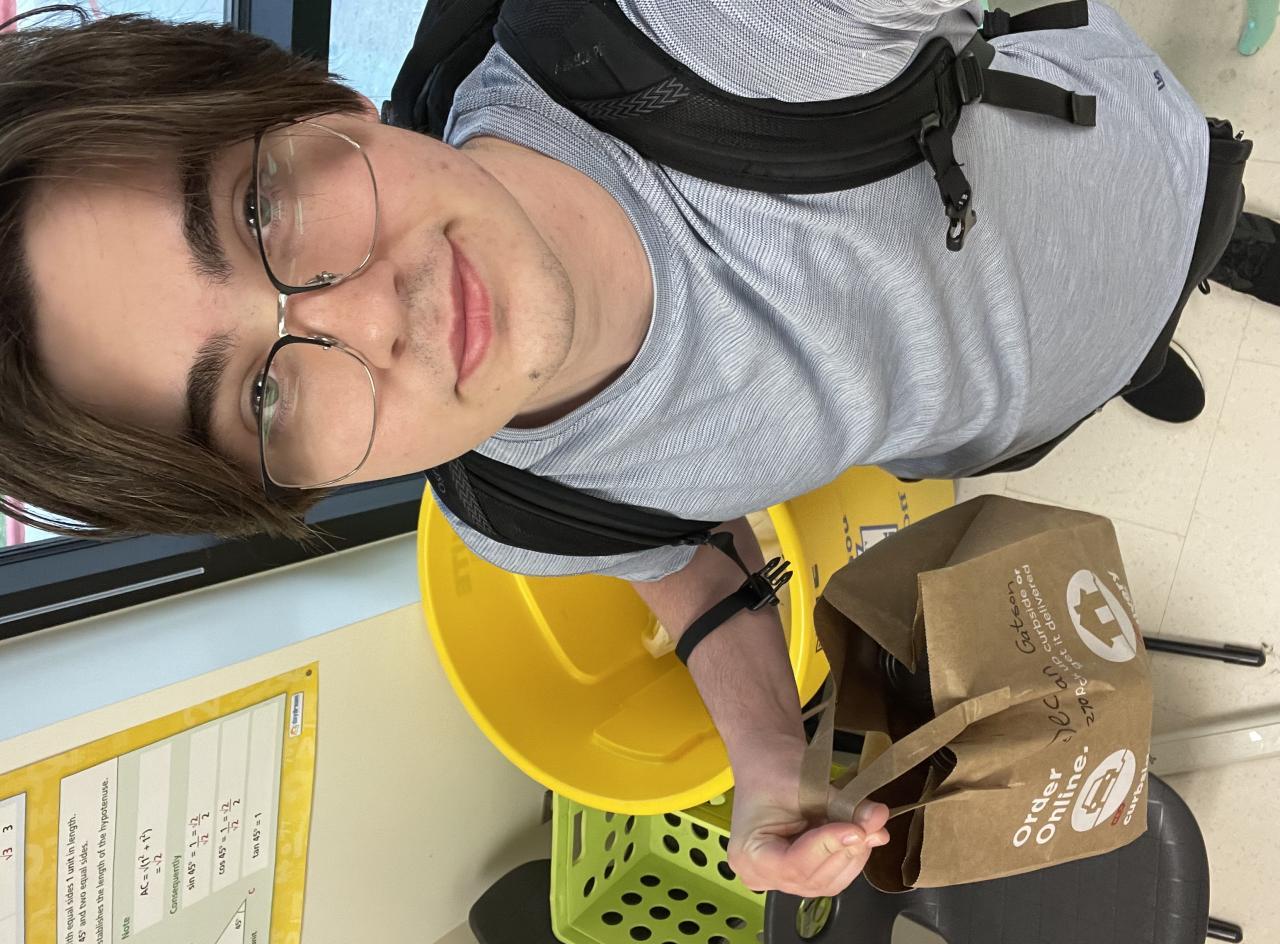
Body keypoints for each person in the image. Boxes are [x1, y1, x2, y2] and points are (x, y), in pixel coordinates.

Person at [0, 1, 1271, 898]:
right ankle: (1135, 350)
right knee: (1110, 362)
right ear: (302, 489)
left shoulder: (705, 30)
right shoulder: (511, 505)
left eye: (258, 210)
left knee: (1195, 229)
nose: (376, 318)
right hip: (1019, 403)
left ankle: (1211, 249)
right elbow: (691, 576)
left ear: (309, 104)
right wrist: (765, 766)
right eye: (264, 398)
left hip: (1135, 168)